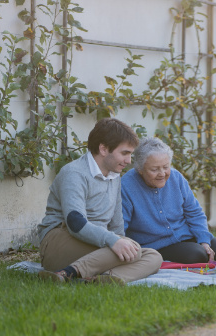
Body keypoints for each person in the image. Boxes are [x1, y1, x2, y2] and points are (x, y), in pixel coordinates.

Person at [37, 118, 163, 285]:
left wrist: (121, 243)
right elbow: (75, 224)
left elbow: (117, 224)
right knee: (132, 249)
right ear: (103, 149)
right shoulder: (74, 173)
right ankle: (70, 272)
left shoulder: (114, 176)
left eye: (130, 154)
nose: (129, 160)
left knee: (153, 256)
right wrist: (114, 242)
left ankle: (99, 279)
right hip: (59, 241)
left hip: (95, 244)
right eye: (125, 153)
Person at [121, 137, 216, 263]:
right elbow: (121, 225)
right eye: (154, 169)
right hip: (156, 246)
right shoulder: (126, 186)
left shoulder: (176, 177)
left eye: (166, 167)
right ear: (140, 169)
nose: (162, 174)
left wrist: (204, 240)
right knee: (198, 255)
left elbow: (194, 213)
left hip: (187, 235)